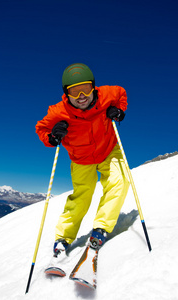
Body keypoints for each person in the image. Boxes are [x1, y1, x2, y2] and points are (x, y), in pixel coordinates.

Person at [36, 63, 130, 256]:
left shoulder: (107, 95)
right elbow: (41, 128)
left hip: (109, 150)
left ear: (93, 86)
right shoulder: (58, 112)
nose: (81, 97)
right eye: (74, 92)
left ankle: (101, 228)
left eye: (85, 89)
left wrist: (119, 111)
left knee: (120, 182)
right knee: (81, 197)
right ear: (66, 93)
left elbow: (121, 94)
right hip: (81, 158)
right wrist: (53, 136)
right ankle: (63, 238)